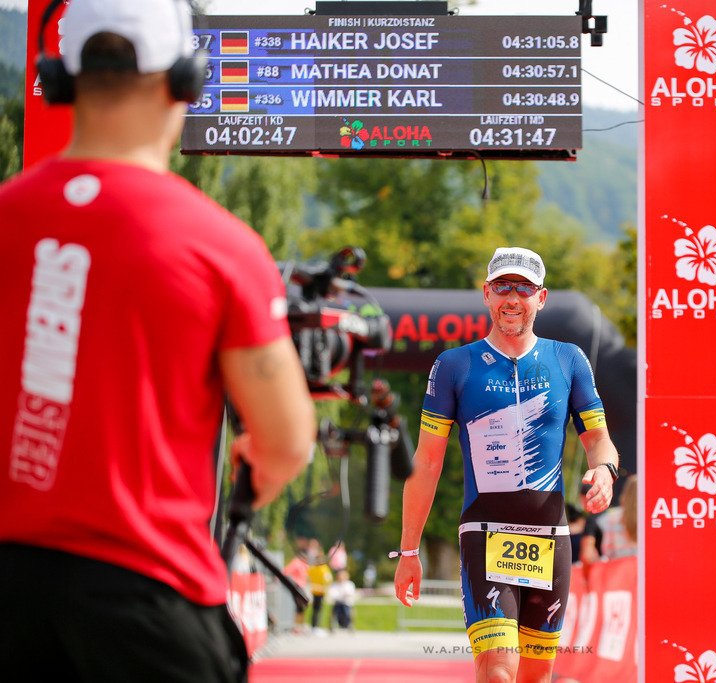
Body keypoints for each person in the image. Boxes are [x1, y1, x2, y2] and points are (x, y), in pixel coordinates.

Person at [0, 1, 316, 680]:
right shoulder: (220, 245)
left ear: (58, 77)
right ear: (186, 78)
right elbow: (286, 440)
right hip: (147, 599)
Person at [394, 247, 621, 683]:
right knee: (499, 670)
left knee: (535, 677)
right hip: (486, 535)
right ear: (486, 294)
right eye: (502, 286)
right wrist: (408, 550)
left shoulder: (568, 359)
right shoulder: (453, 365)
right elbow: (426, 464)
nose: (512, 297)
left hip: (551, 540)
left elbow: (599, 439)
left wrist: (605, 472)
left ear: (542, 297)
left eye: (523, 288)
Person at [598, 474, 638, 559]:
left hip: (620, 567)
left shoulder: (611, 517)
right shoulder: (653, 517)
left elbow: (607, 550)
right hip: (644, 568)